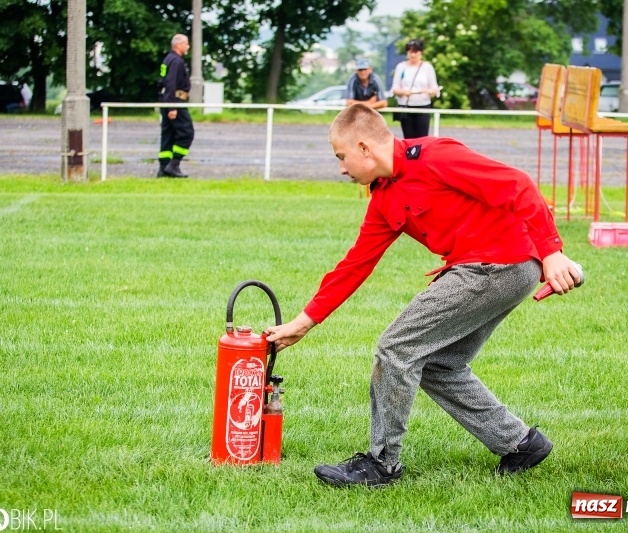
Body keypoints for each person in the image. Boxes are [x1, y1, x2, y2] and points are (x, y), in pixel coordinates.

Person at [266, 104, 581, 488]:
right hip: (495, 268)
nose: (342, 168)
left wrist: (552, 251)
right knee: (438, 363)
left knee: (396, 348)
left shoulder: (435, 156)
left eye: (341, 157)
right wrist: (304, 323)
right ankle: (520, 443)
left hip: (497, 264)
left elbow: (517, 184)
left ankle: (382, 465)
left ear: (364, 147)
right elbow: (355, 265)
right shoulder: (382, 198)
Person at [157, 34, 194, 178]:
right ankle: (174, 164)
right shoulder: (176, 61)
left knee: (168, 135)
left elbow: (163, 83)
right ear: (179, 45)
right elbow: (170, 83)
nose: (188, 47)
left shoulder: (168, 59)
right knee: (187, 132)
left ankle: (163, 169)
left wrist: (166, 102)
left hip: (166, 100)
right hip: (175, 101)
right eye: (186, 44)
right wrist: (172, 106)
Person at [391, 39, 440, 139]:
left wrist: (428, 91)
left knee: (422, 139)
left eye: (415, 52)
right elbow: (395, 88)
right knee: (408, 138)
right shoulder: (401, 67)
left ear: (420, 52)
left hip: (422, 106)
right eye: (410, 52)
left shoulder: (427, 67)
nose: (413, 55)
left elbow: (434, 88)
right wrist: (404, 92)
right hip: (406, 106)